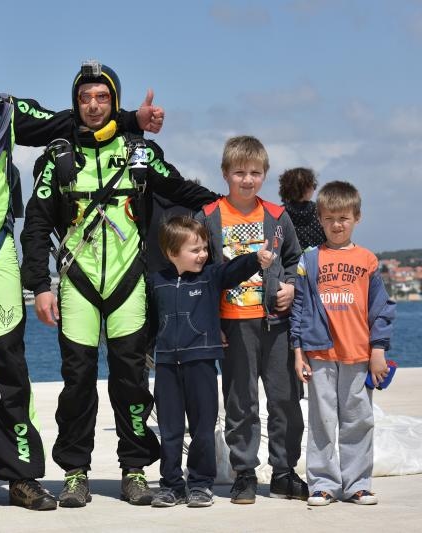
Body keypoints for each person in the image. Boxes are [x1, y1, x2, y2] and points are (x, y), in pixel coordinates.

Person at [0, 12, 164, 511]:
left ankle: (21, 477)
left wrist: (131, 122)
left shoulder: (4, 111)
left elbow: (71, 120)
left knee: (9, 369)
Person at [20, 61, 218, 508]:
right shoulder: (57, 157)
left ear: (115, 101)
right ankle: (74, 473)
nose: (93, 105)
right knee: (77, 382)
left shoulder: (138, 151)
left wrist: (238, 208)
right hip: (78, 286)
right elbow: (34, 228)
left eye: (102, 97)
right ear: (76, 103)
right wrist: (40, 287)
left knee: (130, 381)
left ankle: (134, 471)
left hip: (130, 285)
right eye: (86, 98)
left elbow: (184, 192)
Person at [195, 135, 307, 504]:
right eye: (240, 172)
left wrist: (291, 285)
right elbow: (200, 271)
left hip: (275, 323)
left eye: (255, 173)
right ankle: (244, 472)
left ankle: (284, 471)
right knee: (241, 401)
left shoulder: (277, 216)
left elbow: (295, 261)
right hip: (232, 324)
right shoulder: (209, 216)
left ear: (265, 175)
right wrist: (211, 324)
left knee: (285, 398)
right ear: (226, 174)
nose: (247, 179)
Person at [149, 216, 275, 508]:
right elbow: (150, 322)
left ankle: (200, 484)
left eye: (205, 248)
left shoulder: (210, 276)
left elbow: (233, 270)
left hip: (202, 362)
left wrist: (255, 259)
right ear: (171, 252)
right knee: (170, 430)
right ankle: (171, 485)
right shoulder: (156, 281)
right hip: (166, 365)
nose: (203, 254)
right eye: (195, 250)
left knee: (203, 428)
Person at [291, 181, 395, 506]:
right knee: (322, 422)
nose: (337, 225)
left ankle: (357, 484)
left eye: (344, 218)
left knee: (358, 421)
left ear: (357, 218)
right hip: (319, 354)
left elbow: (381, 310)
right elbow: (299, 309)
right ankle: (322, 484)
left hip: (358, 354)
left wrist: (378, 350)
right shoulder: (309, 260)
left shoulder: (368, 260)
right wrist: (298, 352)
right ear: (320, 219)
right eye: (330, 218)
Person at [278, 167, 326, 250]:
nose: (314, 189)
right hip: (318, 259)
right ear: (306, 188)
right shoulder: (321, 211)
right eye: (313, 186)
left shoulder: (277, 213)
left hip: (289, 261)